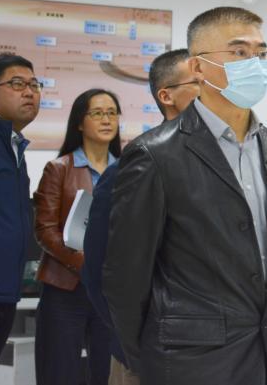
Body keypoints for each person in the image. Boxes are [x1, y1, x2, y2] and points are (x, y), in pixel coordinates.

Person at [102, 7, 267, 385]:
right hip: (188, 359)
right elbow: (125, 273)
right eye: (239, 52)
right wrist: (145, 357)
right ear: (197, 67)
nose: (255, 64)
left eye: (261, 53)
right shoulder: (155, 154)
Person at [82, 48, 199, 385]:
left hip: (215, 356)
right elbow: (101, 269)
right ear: (167, 96)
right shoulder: (137, 165)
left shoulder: (230, 166)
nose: (214, 91)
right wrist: (135, 345)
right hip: (148, 356)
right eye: (199, 82)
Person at [33, 88, 121, 385]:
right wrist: (85, 264)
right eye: (97, 113)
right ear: (80, 122)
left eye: (112, 113)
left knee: (108, 373)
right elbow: (45, 230)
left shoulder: (129, 169)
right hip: (65, 287)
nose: (106, 119)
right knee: (59, 373)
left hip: (111, 292)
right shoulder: (59, 168)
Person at [0, 53, 41, 385]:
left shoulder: (12, 144)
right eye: (17, 84)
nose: (29, 92)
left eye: (34, 84)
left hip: (2, 292)